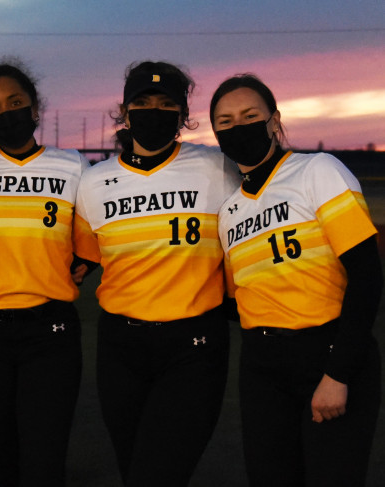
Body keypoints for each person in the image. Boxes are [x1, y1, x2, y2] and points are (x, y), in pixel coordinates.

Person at [73, 61, 240, 486]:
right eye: (143, 102)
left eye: (167, 103)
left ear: (184, 115)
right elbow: (87, 258)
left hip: (194, 343)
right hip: (120, 346)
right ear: (125, 111)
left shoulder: (218, 167)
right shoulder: (93, 182)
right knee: (135, 470)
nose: (154, 110)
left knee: (158, 472)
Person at [211, 74, 382, 487]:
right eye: (226, 121)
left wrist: (338, 374)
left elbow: (367, 276)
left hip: (328, 354)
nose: (239, 126)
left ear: (275, 121)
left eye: (250, 115)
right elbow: (243, 301)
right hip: (261, 369)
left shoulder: (316, 170)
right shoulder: (229, 211)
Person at [0, 60, 89, 487]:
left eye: (14, 102)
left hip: (51, 331)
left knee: (44, 463)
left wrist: (87, 263)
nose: (5, 112)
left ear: (34, 107)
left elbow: (97, 234)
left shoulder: (74, 166)